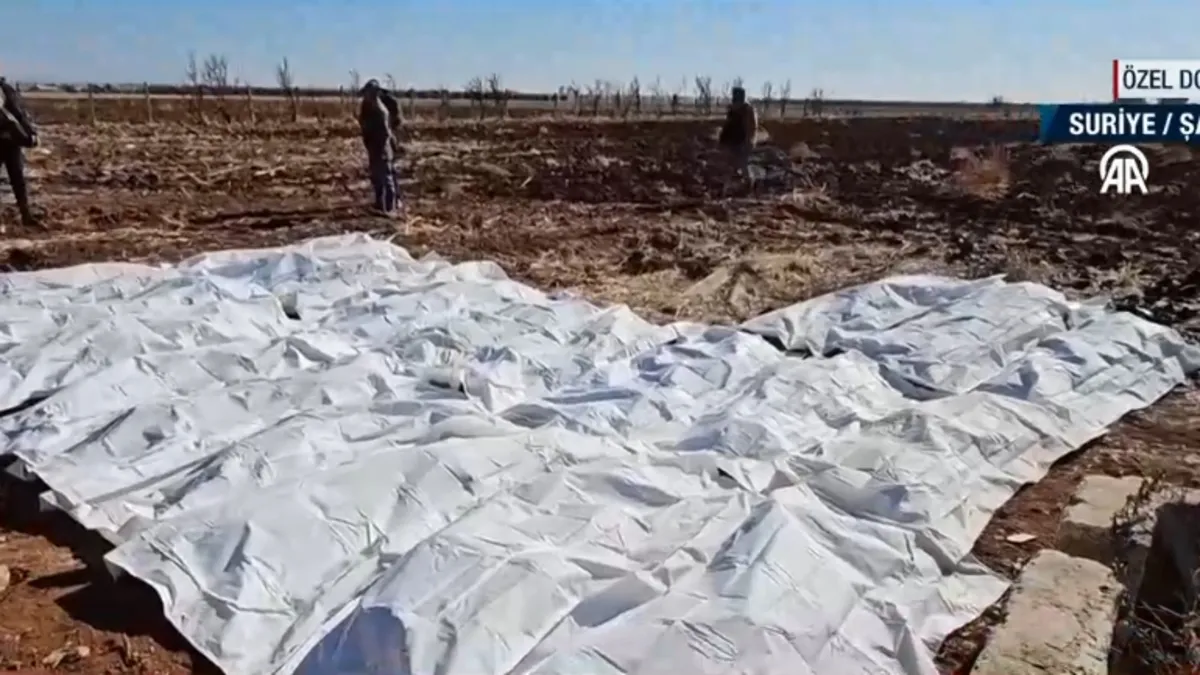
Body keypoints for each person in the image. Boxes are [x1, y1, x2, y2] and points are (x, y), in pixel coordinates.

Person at [357, 79, 402, 215]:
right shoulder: (368, 106)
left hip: (381, 148)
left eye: (368, 93)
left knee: (387, 176)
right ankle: (380, 204)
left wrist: (382, 150)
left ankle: (391, 206)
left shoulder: (382, 110)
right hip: (374, 147)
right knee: (377, 176)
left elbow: (386, 132)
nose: (365, 96)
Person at [0, 76, 39, 227]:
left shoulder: (6, 90)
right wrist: (30, 133)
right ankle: (26, 215)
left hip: (10, 141)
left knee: (18, 179)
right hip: (11, 140)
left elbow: (19, 114)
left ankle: (26, 215)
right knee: (18, 179)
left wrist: (30, 132)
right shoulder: (7, 89)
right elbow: (20, 115)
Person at [717, 85, 758, 194]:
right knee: (730, 164)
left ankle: (749, 185)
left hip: (743, 141)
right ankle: (729, 187)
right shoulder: (732, 109)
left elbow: (752, 127)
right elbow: (728, 125)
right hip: (732, 141)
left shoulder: (747, 109)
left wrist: (749, 141)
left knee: (743, 163)